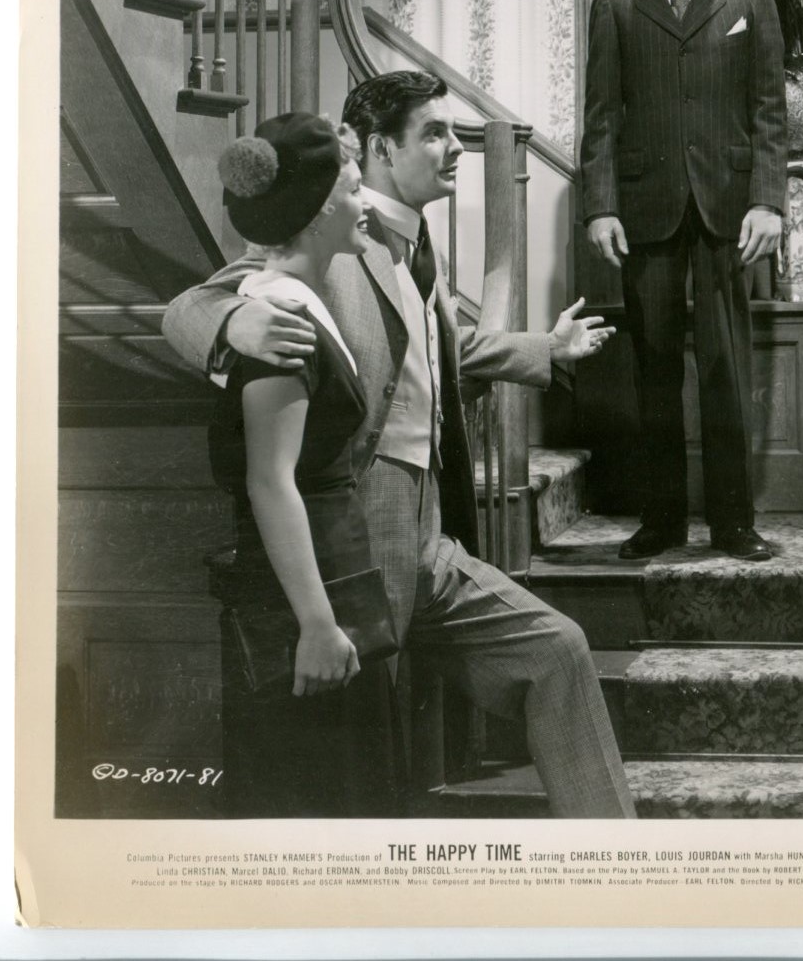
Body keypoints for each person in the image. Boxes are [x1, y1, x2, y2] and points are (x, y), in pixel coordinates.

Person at [164, 71, 636, 819]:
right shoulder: (327, 233)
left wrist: (544, 348)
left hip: (428, 525)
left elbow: (440, 351)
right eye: (434, 134)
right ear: (380, 150)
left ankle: (611, 859)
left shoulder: (416, 243)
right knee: (361, 751)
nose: (456, 148)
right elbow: (191, 304)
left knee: (558, 650)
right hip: (358, 524)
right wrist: (232, 324)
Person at [580, 0, 789, 563]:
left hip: (729, 210)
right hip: (647, 207)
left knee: (726, 369)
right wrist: (600, 207)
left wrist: (768, 201)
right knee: (656, 366)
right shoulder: (615, 3)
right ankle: (662, 520)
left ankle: (734, 523)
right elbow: (601, 117)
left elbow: (769, 111)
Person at [205, 113, 400, 816]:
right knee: (313, 799)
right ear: (318, 212)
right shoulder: (278, 318)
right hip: (302, 601)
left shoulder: (296, 299)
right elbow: (269, 479)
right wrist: (317, 625)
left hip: (332, 574)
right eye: (352, 188)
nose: (365, 201)